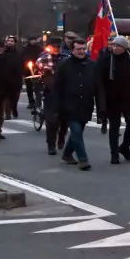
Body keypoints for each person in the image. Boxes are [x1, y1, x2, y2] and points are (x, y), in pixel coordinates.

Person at [53, 37, 100, 171]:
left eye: (84, 49)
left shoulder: (92, 65)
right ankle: (83, 159)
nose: (81, 51)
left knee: (78, 132)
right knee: (76, 131)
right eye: (78, 49)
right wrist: (57, 106)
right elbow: (57, 87)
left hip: (86, 104)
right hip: (69, 105)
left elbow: (96, 85)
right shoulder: (64, 64)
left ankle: (67, 154)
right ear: (72, 50)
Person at [96, 35, 130, 164]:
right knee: (114, 126)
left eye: (118, 46)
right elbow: (99, 79)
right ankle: (114, 153)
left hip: (129, 98)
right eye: (113, 45)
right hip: (112, 99)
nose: (115, 48)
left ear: (125, 48)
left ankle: (125, 147)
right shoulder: (105, 59)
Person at [35, 38, 69, 155]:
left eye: (58, 46)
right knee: (51, 120)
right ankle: (51, 144)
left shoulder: (66, 58)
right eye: (54, 46)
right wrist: (42, 76)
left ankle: (61, 137)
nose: (56, 49)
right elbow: (36, 75)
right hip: (50, 93)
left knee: (64, 120)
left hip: (64, 93)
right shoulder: (42, 59)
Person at [3, 35, 24, 119]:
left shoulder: (18, 53)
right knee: (6, 97)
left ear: (15, 43)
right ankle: (7, 114)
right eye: (9, 41)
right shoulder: (3, 52)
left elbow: (22, 63)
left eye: (12, 41)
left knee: (15, 96)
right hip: (5, 77)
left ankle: (14, 107)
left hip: (16, 77)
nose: (10, 42)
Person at [22, 36, 42, 110]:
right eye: (31, 40)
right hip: (27, 70)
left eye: (34, 40)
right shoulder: (25, 48)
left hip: (37, 70)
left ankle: (38, 101)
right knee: (29, 87)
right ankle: (31, 101)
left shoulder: (39, 48)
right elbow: (22, 57)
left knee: (37, 86)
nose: (33, 41)